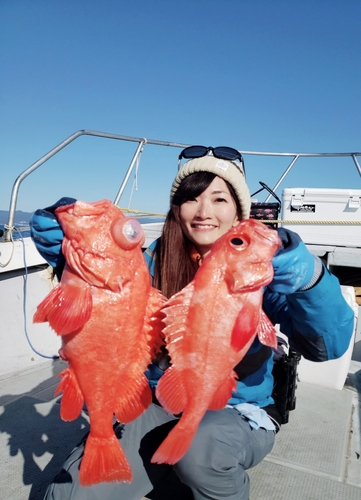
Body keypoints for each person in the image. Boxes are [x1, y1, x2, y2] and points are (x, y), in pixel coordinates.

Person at [30, 145, 355, 500]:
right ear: (176, 208)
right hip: (157, 403)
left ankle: (202, 470)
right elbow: (100, 291)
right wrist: (64, 245)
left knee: (202, 454)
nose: (204, 212)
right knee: (68, 496)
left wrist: (311, 281)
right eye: (191, 199)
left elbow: (328, 345)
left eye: (219, 200)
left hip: (234, 409)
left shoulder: (262, 276)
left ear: (238, 212)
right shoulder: (145, 265)